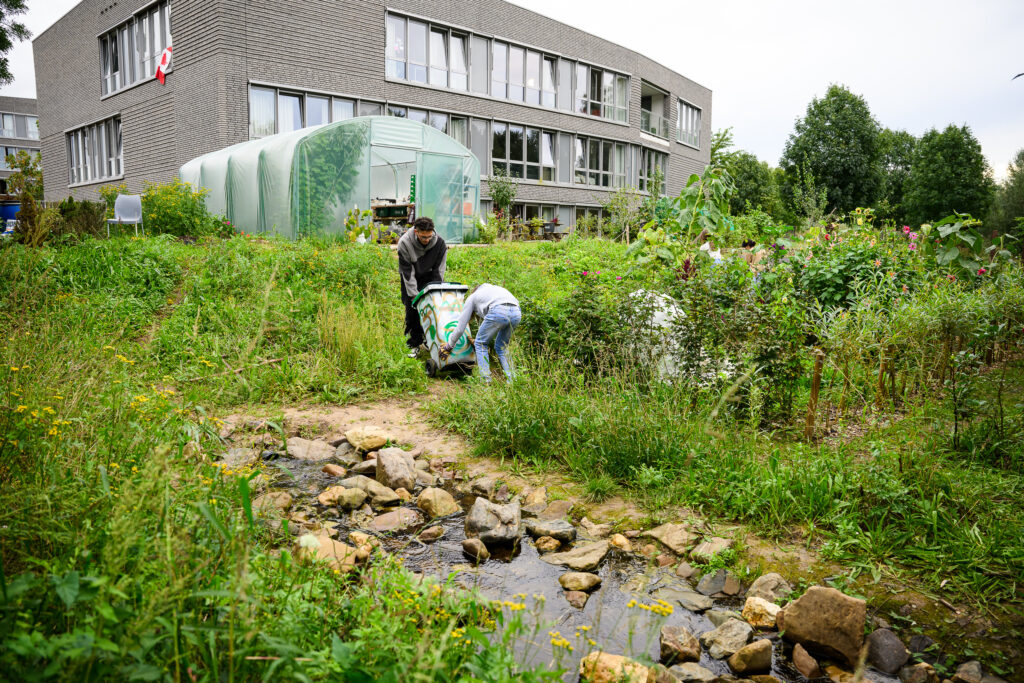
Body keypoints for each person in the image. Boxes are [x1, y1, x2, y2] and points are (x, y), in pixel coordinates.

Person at [441, 283, 521, 383]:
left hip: (498, 310)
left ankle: (485, 381)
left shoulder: (472, 297)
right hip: (517, 312)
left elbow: (460, 328)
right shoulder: (494, 290)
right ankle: (513, 380)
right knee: (502, 347)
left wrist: (449, 346)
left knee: (481, 343)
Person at [398, 217, 447, 356]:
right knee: (412, 310)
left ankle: (430, 339)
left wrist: (436, 290)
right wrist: (414, 295)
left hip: (430, 276)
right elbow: (407, 272)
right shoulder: (404, 243)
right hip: (411, 276)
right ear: (416, 232)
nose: (426, 240)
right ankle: (414, 343)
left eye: (429, 236)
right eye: (423, 236)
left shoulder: (440, 243)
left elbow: (439, 270)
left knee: (433, 308)